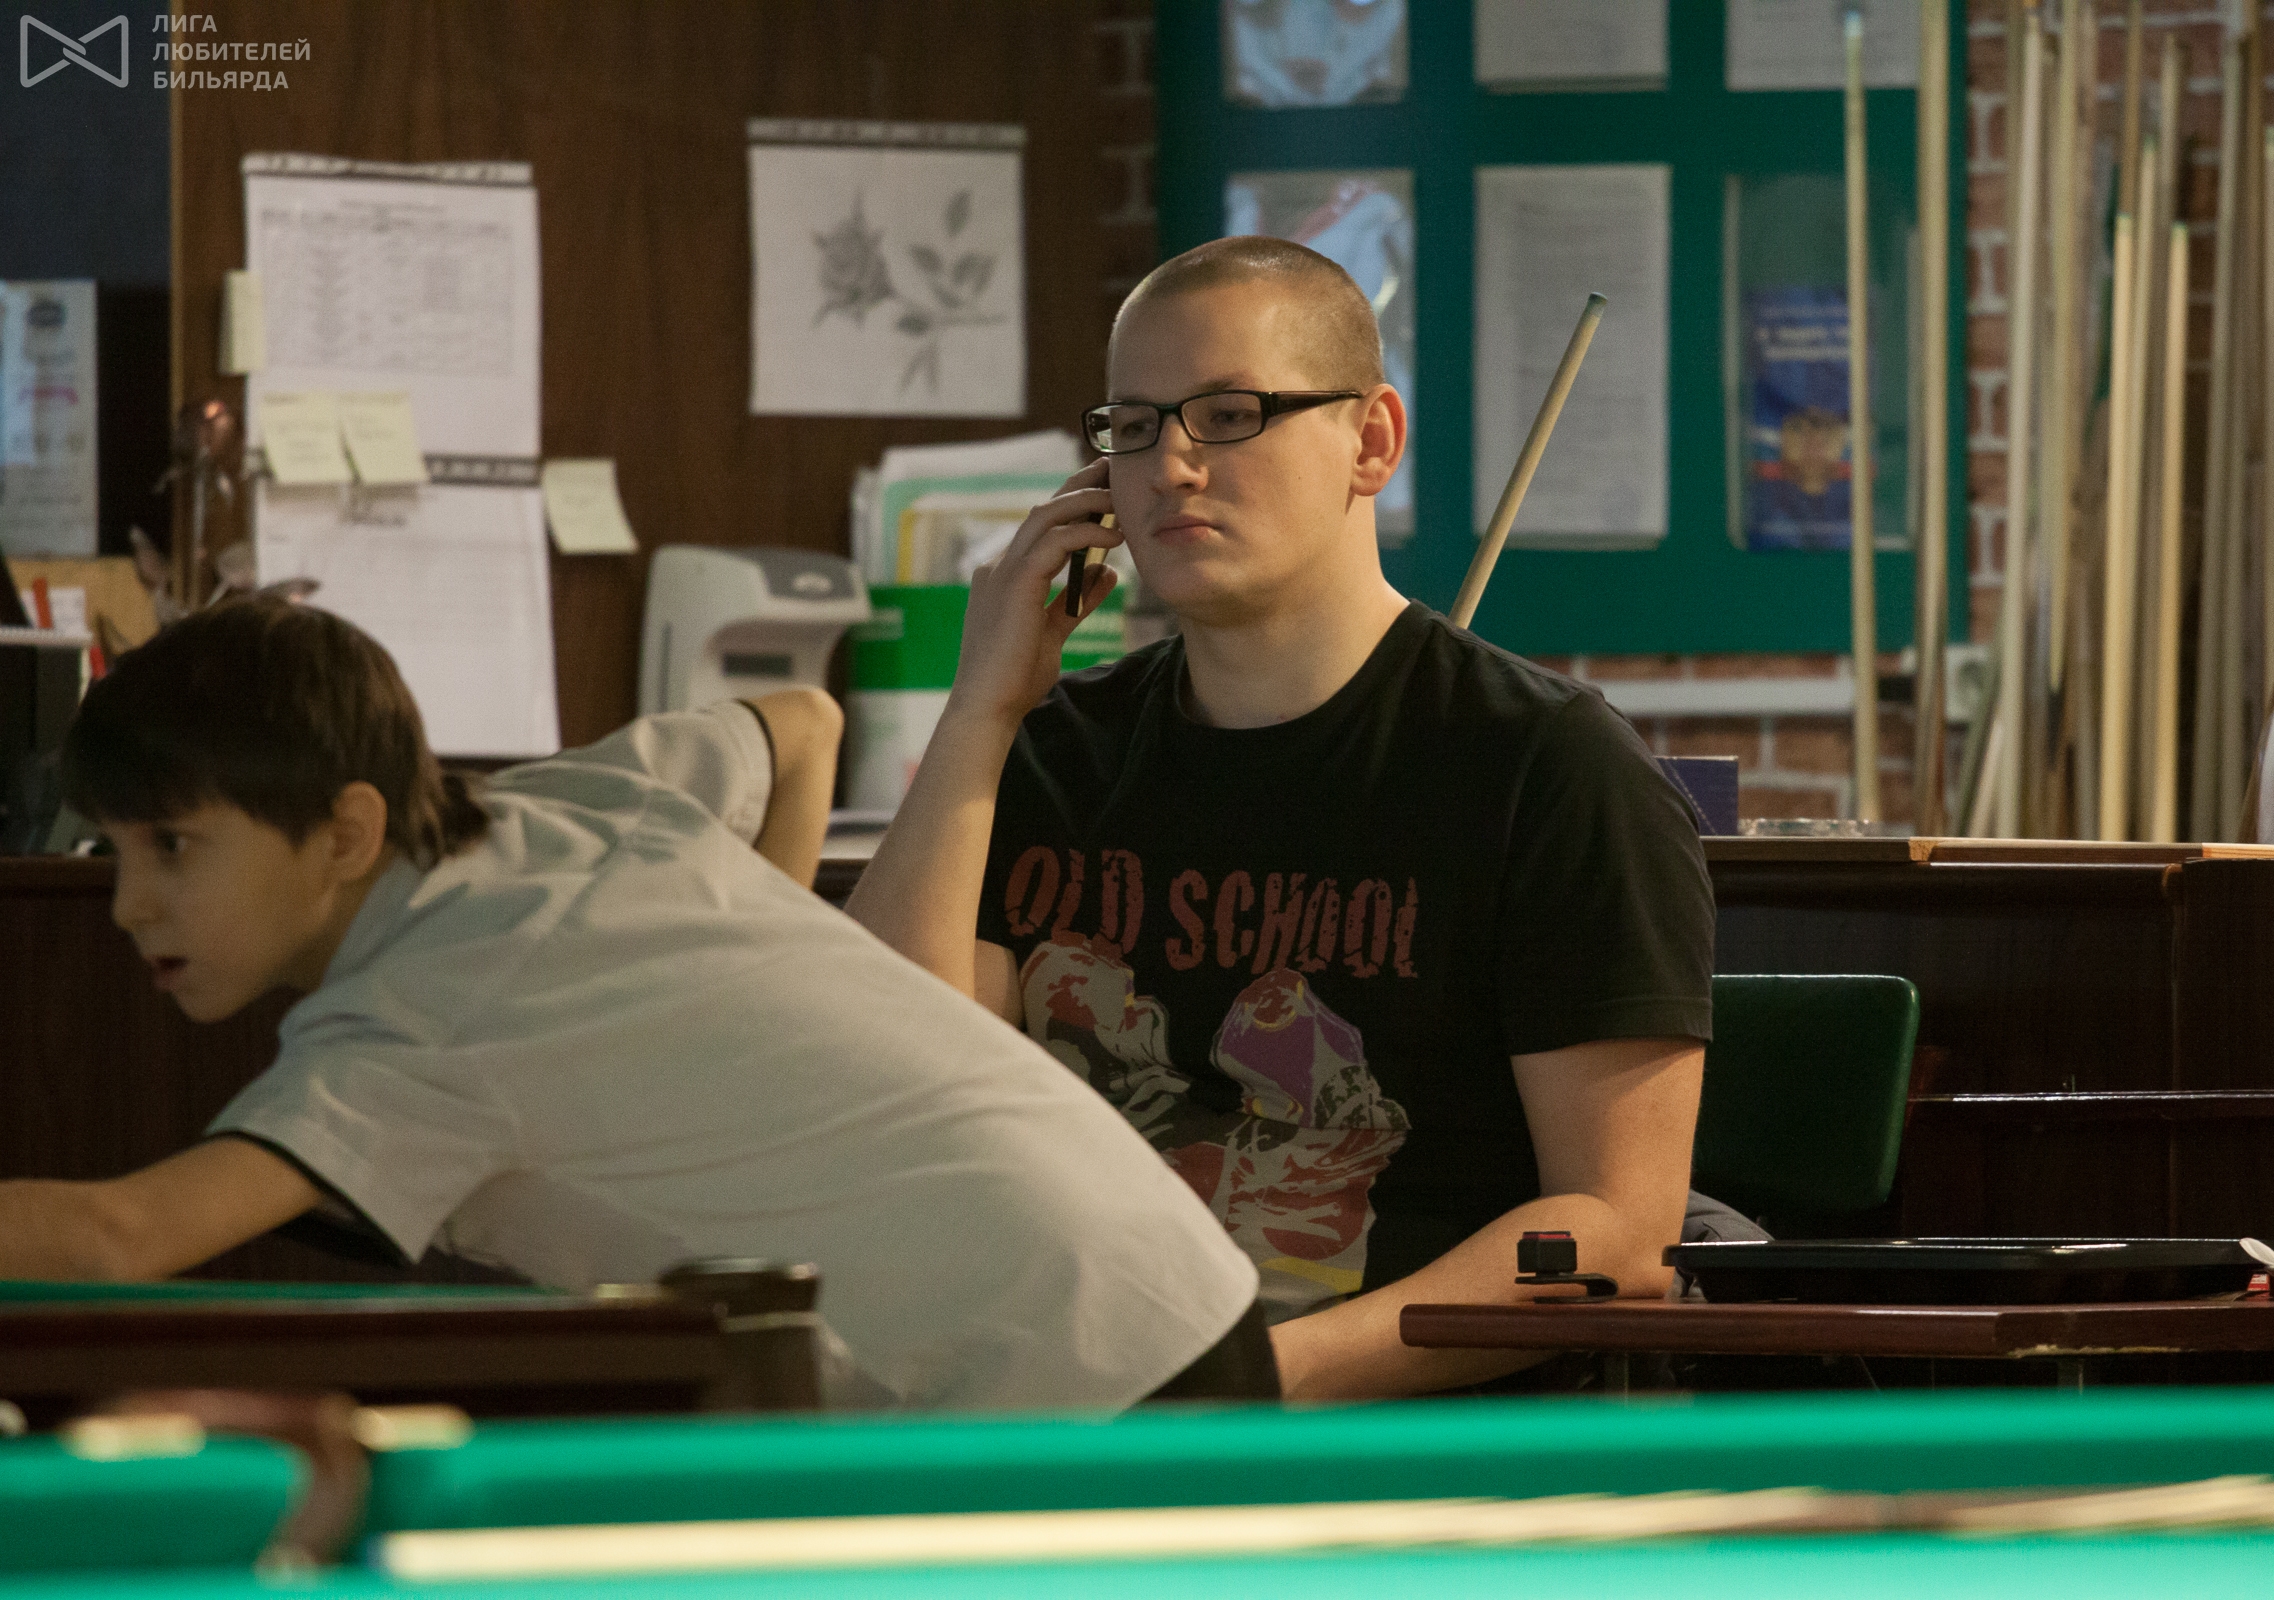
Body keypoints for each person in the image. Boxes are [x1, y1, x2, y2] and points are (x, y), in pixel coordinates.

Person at [0, 598, 1265, 1410]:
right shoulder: (564, 806)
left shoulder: (419, 1020)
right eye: (114, 848)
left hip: (1083, 1366)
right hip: (1164, 1272)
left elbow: (120, 1237)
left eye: (172, 846)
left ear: (345, 831)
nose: (129, 904)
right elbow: (801, 723)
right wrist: (752, 989)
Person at [845, 236, 1717, 1400]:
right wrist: (978, 710)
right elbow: (885, 1101)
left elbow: (1615, 1228)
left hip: (1410, 1439)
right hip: (1073, 1404)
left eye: (1229, 414)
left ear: (1373, 441)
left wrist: (1243, 1390)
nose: (1171, 466)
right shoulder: (1049, 755)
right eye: (1134, 426)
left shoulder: (1550, 768)